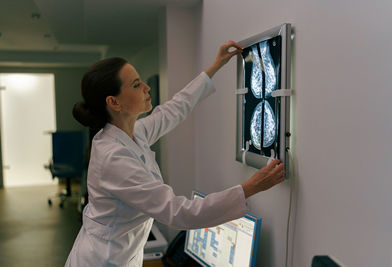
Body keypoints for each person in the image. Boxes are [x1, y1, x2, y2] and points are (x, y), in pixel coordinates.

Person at [66, 41, 285, 267]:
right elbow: (179, 213)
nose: (146, 88)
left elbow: (174, 109)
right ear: (114, 102)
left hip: (119, 254)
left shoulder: (132, 133)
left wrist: (216, 65)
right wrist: (250, 188)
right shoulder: (113, 158)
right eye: (136, 85)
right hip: (102, 260)